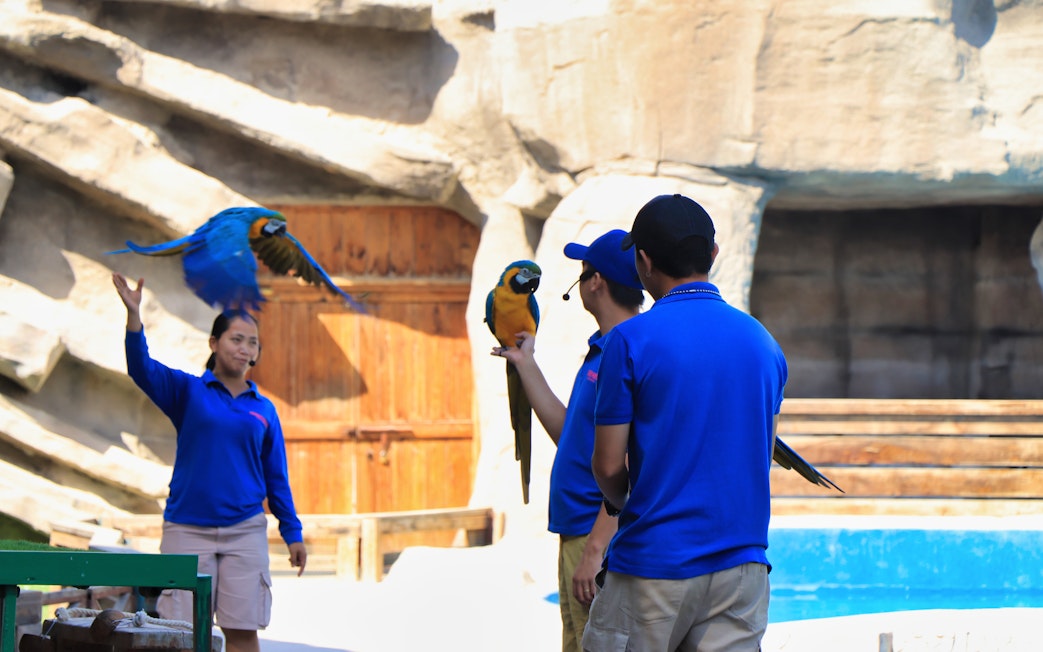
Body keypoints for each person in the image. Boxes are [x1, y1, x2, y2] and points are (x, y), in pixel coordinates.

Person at [585, 194, 787, 652]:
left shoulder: (629, 341)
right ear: (713, 255)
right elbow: (761, 453)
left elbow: (608, 466)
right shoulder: (763, 342)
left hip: (654, 568)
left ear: (643, 262)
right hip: (743, 568)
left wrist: (620, 502)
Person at [113, 273, 307, 652]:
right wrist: (134, 316)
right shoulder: (188, 391)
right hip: (187, 529)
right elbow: (141, 368)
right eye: (236, 339)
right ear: (214, 343)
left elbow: (276, 477)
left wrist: (293, 533)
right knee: (179, 633)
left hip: (245, 531)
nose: (244, 348)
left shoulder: (264, 410)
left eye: (252, 343)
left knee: (242, 631)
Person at [493, 229, 644, 652]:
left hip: (598, 535)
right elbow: (574, 439)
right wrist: (526, 365)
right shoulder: (602, 350)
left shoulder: (630, 351)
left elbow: (635, 462)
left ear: (595, 282)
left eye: (583, 273)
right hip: (577, 531)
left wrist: (596, 548)